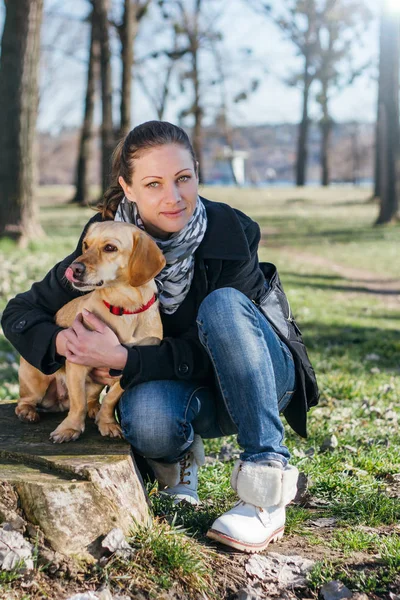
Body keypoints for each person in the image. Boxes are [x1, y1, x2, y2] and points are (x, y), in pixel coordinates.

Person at [2, 121, 318, 553]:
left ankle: (265, 486)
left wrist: (125, 359)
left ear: (197, 173)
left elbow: (222, 350)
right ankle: (182, 454)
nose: (174, 197)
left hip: (260, 377)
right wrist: (66, 345)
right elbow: (20, 311)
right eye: (153, 184)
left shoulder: (231, 231)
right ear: (127, 189)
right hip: (180, 386)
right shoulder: (107, 239)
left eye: (183, 178)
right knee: (148, 419)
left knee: (222, 305)